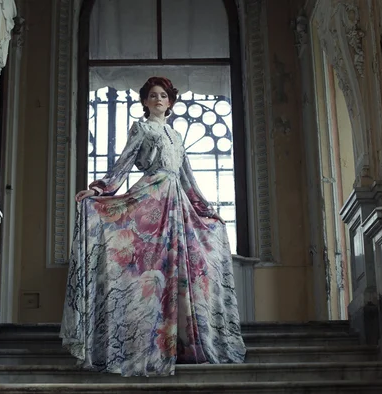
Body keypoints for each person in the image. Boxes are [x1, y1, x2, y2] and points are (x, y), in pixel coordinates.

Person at [60, 76, 246, 377]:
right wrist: (100, 190)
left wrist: (207, 210)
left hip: (176, 202)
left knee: (184, 268)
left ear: (170, 101)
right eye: (153, 95)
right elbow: (124, 162)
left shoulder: (176, 136)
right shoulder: (141, 128)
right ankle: (142, 343)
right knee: (149, 270)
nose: (158, 99)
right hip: (150, 195)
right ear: (145, 102)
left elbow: (187, 178)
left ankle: (182, 345)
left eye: (163, 95)